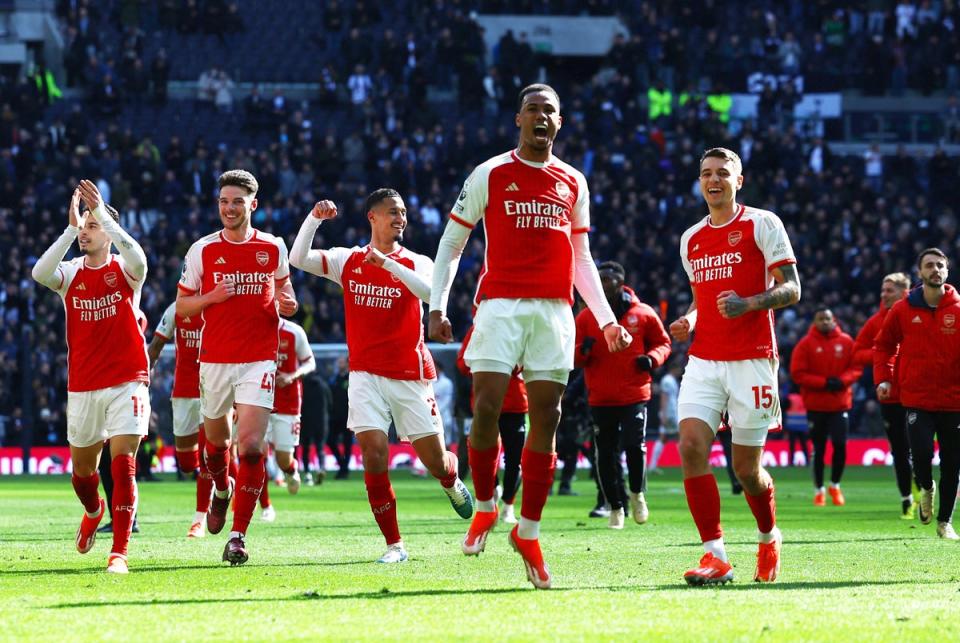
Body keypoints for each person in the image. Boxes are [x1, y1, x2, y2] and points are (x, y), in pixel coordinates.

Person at [428, 83, 632, 589]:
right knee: (486, 408)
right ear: (518, 118)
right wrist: (436, 306)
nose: (541, 117)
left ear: (559, 123)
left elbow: (582, 258)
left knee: (549, 416)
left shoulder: (573, 182)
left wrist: (606, 319)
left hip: (554, 312)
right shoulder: (490, 173)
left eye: (550, 111)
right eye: (533, 109)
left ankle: (530, 531)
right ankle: (486, 505)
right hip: (500, 306)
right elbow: (453, 242)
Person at [290, 191, 474, 563]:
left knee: (434, 461)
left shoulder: (415, 261)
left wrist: (388, 266)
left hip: (409, 374)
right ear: (372, 217)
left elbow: (431, 293)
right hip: (364, 375)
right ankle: (395, 545)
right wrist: (314, 218)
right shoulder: (349, 260)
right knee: (374, 454)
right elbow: (298, 258)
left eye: (404, 212)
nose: (401, 218)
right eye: (393, 212)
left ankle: (451, 480)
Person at [669, 147, 800, 585]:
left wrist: (749, 304)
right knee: (690, 446)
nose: (714, 180)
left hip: (753, 359)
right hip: (705, 359)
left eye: (723, 173)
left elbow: (792, 289)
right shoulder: (690, 239)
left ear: (738, 181)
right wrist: (689, 319)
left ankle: (767, 536)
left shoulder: (763, 223)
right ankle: (716, 556)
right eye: (706, 173)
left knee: (746, 471)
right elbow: (701, 300)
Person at [176, 169, 298, 566]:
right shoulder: (202, 250)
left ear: (253, 205)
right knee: (215, 446)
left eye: (237, 202)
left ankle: (238, 536)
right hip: (214, 360)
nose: (229, 208)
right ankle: (221, 490)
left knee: (249, 449)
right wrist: (211, 296)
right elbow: (182, 307)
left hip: (259, 360)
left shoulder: (273, 247)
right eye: (224, 201)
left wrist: (288, 302)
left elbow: (285, 290)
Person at [31, 181, 150, 574]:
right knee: (83, 473)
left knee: (123, 463)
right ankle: (94, 509)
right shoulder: (70, 274)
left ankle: (120, 553)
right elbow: (39, 272)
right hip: (83, 385)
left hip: (128, 379)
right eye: (83, 227)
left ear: (108, 232)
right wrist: (69, 230)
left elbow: (140, 260)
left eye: (91, 226)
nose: (85, 232)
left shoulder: (124, 270)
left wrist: (103, 216)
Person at [575, 261, 671, 528]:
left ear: (620, 281)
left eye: (607, 278)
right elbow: (572, 354)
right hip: (601, 396)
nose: (603, 283)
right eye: (600, 278)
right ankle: (616, 507)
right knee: (604, 454)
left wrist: (651, 359)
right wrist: (584, 351)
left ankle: (637, 494)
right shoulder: (585, 318)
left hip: (634, 393)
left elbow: (663, 343)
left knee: (633, 445)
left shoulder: (644, 314)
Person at [875, 248, 960, 540]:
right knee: (921, 454)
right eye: (929, 265)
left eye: (940, 265)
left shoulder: (958, 310)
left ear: (947, 272)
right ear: (920, 272)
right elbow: (884, 345)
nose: (935, 269)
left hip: (954, 401)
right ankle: (926, 486)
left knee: (952, 463)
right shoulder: (902, 309)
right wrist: (883, 379)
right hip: (917, 398)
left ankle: (945, 522)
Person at [853, 272, 916, 518]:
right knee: (900, 451)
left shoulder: (915, 315)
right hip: (890, 396)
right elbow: (857, 353)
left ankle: (923, 490)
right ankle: (907, 499)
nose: (883, 294)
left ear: (904, 291)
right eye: (882, 290)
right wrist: (884, 354)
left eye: (889, 290)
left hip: (916, 393)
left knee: (919, 449)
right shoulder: (876, 321)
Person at [148, 300, 211, 537]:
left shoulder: (217, 304)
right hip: (184, 391)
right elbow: (155, 347)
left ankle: (199, 519)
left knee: (209, 455)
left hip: (213, 388)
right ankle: (219, 483)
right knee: (186, 464)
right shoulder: (177, 309)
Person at [790, 308, 863, 506]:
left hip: (840, 405)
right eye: (820, 318)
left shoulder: (847, 342)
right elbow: (797, 373)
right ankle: (819, 490)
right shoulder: (805, 345)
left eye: (827, 318)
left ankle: (835, 485)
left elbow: (857, 367)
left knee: (840, 445)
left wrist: (842, 381)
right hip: (816, 406)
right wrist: (824, 383)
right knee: (818, 449)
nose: (824, 321)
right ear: (814, 321)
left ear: (834, 320)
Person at [457, 322, 528, 525]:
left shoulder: (521, 326)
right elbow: (462, 363)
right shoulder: (477, 328)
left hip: (515, 404)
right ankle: (493, 492)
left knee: (515, 459)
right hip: (485, 404)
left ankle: (508, 506)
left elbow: (530, 361)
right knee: (485, 455)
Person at [266, 318, 316, 494]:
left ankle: (291, 469)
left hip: (288, 401)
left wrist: (291, 376)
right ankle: (261, 504)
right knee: (253, 452)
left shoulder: (294, 331)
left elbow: (310, 362)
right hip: (258, 399)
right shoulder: (251, 327)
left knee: (283, 458)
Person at [299, 368, 332, 485]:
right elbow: (330, 402)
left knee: (305, 448)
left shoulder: (302, 385)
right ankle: (321, 468)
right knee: (320, 448)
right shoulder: (323, 385)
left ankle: (307, 473)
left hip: (306, 420)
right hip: (321, 420)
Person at [650, 359, 683, 474]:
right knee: (679, 437)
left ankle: (652, 465)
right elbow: (664, 397)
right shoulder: (667, 381)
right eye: (679, 369)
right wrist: (664, 414)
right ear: (674, 369)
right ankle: (686, 463)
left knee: (663, 438)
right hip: (670, 413)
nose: (680, 372)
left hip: (670, 412)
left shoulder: (670, 380)